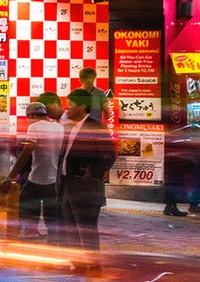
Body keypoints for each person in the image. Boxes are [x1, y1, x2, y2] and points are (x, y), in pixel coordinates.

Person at [57, 89, 117, 275]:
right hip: (67, 184)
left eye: (71, 104)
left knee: (87, 228)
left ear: (81, 106)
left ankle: (93, 265)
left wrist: (93, 171)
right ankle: (79, 263)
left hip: (86, 187)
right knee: (71, 227)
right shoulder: (71, 127)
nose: (68, 108)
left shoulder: (95, 126)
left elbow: (109, 154)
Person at [7, 102, 63, 242]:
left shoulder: (34, 127)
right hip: (55, 180)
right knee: (52, 217)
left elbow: (26, 154)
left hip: (37, 179)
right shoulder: (58, 127)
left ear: (30, 115)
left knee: (26, 209)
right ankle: (53, 244)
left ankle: (30, 235)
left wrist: (10, 176)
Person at [164, 108, 200, 216]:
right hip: (181, 161)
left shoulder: (199, 128)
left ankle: (174, 206)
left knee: (178, 183)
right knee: (177, 183)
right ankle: (173, 207)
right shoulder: (197, 128)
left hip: (186, 161)